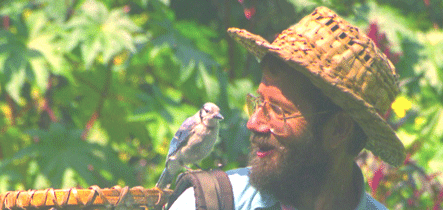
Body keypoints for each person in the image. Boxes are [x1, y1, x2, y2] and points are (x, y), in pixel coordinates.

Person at [169, 6, 405, 210]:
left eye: (278, 110)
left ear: (338, 129)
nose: (254, 123)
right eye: (259, 103)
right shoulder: (210, 203)